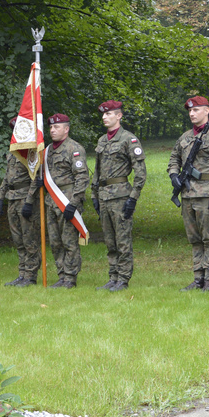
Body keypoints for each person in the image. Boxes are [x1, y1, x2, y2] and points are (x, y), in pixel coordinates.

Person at [168, 96, 209, 291]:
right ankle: (198, 278)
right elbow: (174, 158)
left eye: (196, 110)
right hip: (188, 195)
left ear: (206, 111)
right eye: (190, 111)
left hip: (207, 194)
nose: (192, 114)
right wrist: (174, 176)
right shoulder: (185, 137)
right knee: (195, 239)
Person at [25, 113, 89, 288]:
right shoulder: (46, 152)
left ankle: (70, 277)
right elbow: (41, 174)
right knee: (55, 242)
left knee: (69, 241)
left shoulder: (74, 149)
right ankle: (61, 275)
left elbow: (82, 179)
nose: (52, 130)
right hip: (50, 201)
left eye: (57, 127)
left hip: (67, 199)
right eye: (51, 127)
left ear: (66, 129)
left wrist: (74, 204)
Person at [92, 100, 147, 292]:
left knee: (123, 240)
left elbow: (140, 173)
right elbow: (97, 171)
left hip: (121, 196)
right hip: (104, 196)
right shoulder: (101, 141)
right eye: (103, 114)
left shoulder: (128, 140)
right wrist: (94, 194)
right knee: (110, 240)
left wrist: (133, 198)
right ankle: (112, 277)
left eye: (109, 114)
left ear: (119, 116)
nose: (104, 117)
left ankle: (123, 279)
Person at [0, 117, 40, 287]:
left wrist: (29, 201)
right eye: (14, 130)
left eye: (18, 129)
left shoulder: (31, 151)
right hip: (12, 198)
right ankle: (22, 273)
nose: (16, 133)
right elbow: (8, 176)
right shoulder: (13, 151)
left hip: (25, 198)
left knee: (29, 239)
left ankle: (30, 275)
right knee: (18, 239)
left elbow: (36, 178)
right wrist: (1, 196)